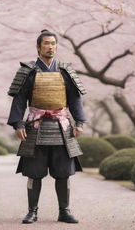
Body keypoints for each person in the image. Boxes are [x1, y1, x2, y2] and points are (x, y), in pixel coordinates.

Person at [7, 29, 86, 224]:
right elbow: (19, 99)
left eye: (53, 43)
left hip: (62, 126)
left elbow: (75, 99)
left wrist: (80, 121)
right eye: (46, 43)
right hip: (35, 125)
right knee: (34, 172)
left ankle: (64, 211)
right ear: (38, 47)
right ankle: (32, 211)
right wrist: (18, 123)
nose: (50, 47)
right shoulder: (28, 70)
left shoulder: (66, 70)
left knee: (63, 172)